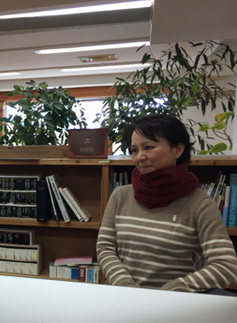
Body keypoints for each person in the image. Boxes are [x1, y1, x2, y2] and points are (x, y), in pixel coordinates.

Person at [96, 114, 237, 291]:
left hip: (173, 302)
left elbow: (226, 266)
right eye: (134, 150)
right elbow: (105, 248)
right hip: (122, 297)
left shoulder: (200, 204)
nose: (140, 157)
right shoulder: (121, 195)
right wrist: (128, 287)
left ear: (177, 150)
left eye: (148, 147)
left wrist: (175, 288)